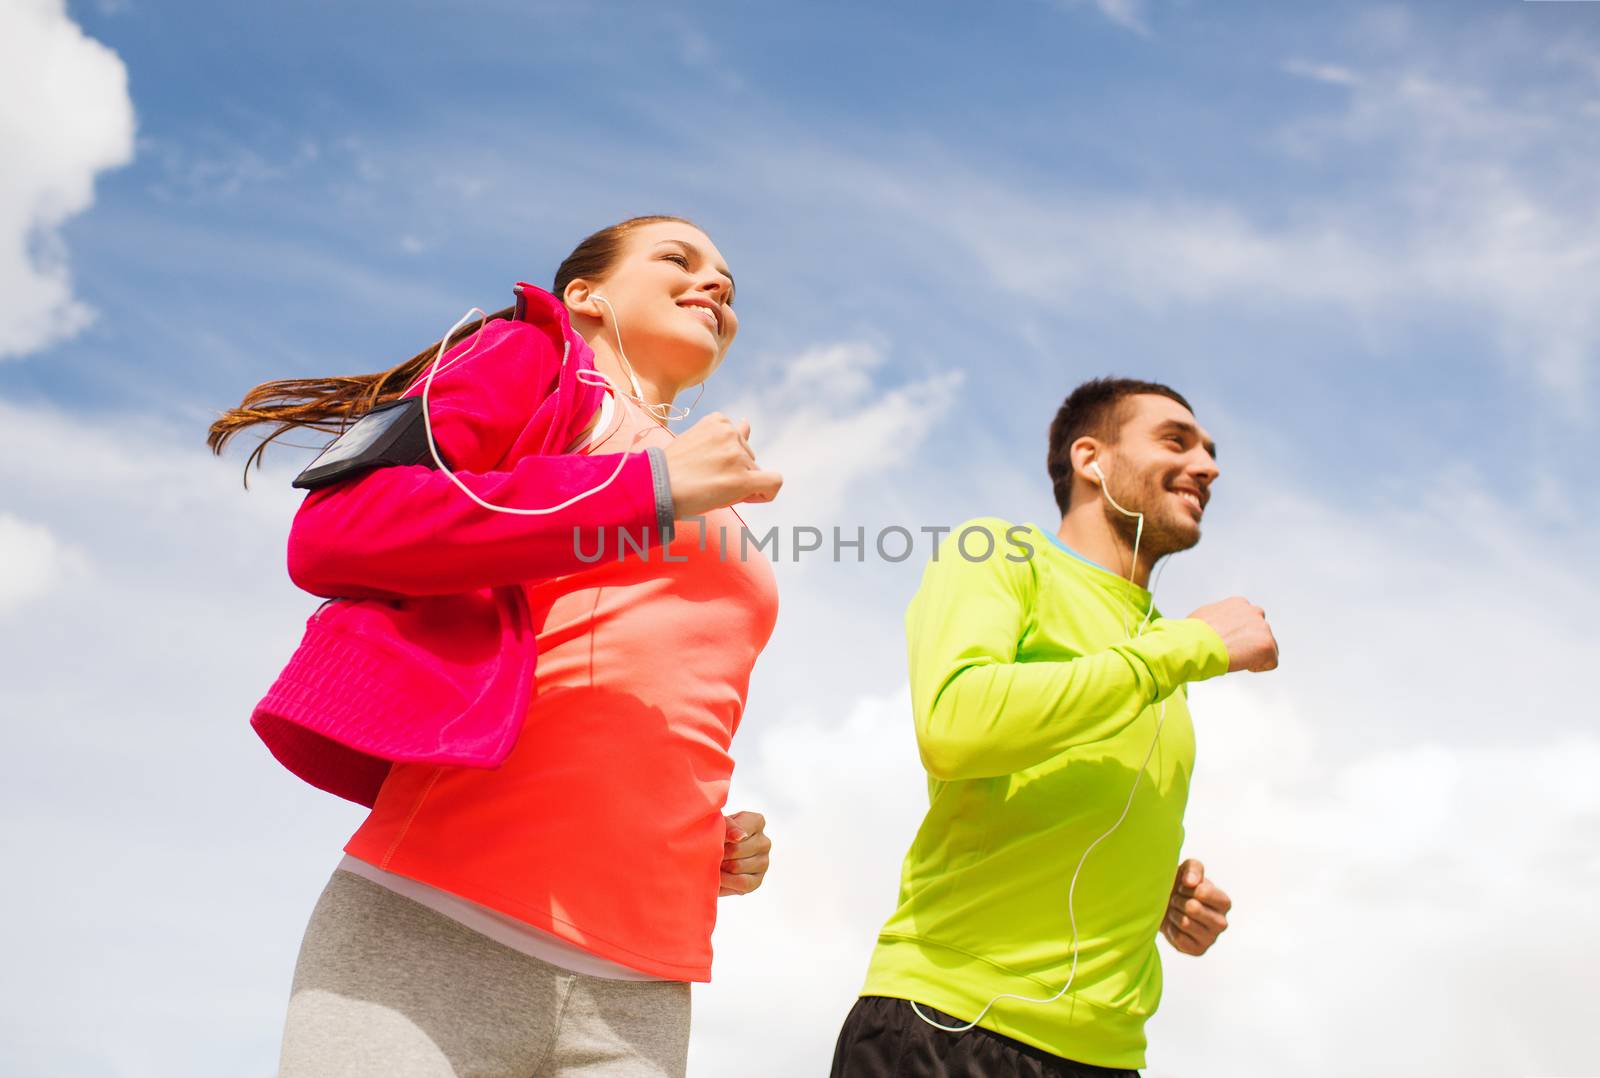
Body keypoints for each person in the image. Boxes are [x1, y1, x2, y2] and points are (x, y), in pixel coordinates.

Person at [208, 216, 784, 1077]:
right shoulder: (535, 363)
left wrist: (697, 833)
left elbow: (644, 679)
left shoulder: (718, 498)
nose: (716, 286)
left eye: (728, 283)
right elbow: (339, 530)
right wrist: (648, 485)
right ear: (584, 295)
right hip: (436, 925)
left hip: (641, 978)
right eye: (679, 260)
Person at [831, 378, 1280, 1077]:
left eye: (1212, 451)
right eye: (1176, 441)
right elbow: (955, 725)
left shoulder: (1162, 642)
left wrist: (1155, 892)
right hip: (947, 1025)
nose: (1209, 466)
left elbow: (1075, 798)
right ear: (1091, 459)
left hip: (1105, 1054)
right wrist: (1185, 648)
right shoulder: (1000, 552)